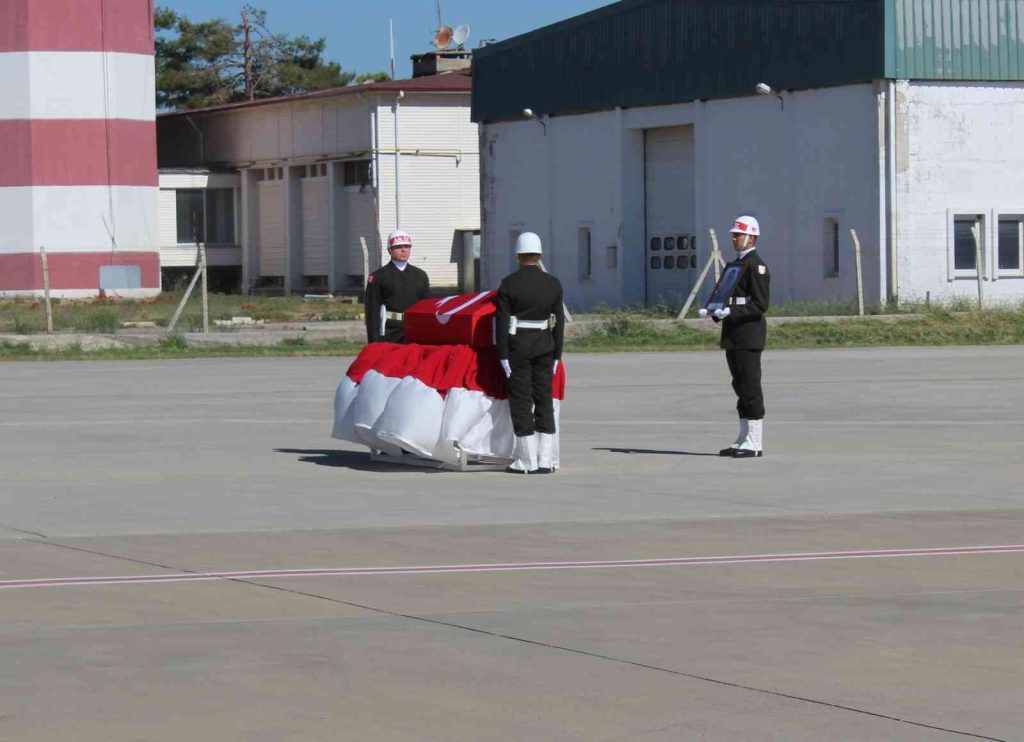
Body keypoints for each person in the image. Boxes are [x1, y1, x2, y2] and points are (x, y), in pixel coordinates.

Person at [699, 215, 771, 458]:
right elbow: (727, 296)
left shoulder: (755, 265)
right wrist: (714, 311)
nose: (733, 238)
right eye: (733, 234)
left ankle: (755, 441)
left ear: (751, 236)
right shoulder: (736, 265)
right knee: (739, 385)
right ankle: (743, 438)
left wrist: (731, 311)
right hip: (734, 334)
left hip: (748, 335)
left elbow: (760, 305)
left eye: (737, 234)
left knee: (750, 386)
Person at [495, 232, 565, 474]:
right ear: (540, 255)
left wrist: (502, 354)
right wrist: (558, 354)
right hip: (546, 345)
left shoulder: (508, 284)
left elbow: (502, 322)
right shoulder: (553, 283)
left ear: (518, 256)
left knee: (521, 400)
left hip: (519, 347)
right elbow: (559, 322)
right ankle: (546, 459)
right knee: (544, 398)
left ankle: (527, 460)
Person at [364, 229, 430, 343]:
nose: (403, 250)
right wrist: (373, 341)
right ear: (389, 250)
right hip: (390, 332)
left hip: (414, 331)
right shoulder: (378, 277)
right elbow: (372, 311)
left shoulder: (420, 275)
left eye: (407, 246)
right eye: (399, 247)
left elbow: (427, 308)